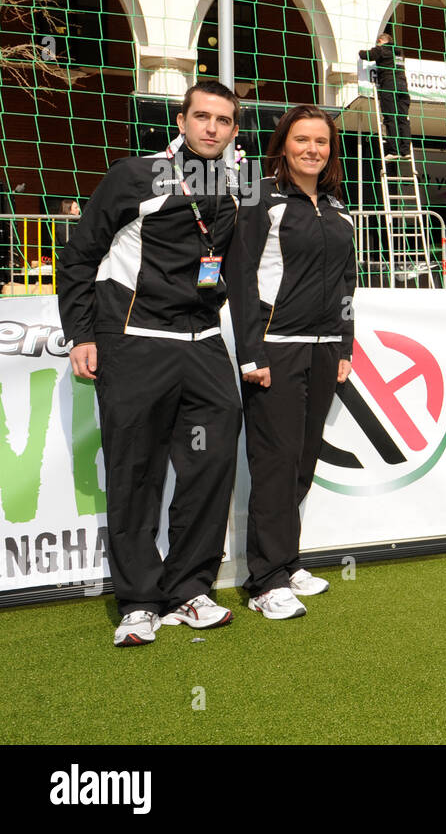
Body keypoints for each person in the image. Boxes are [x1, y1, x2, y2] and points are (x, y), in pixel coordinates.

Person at [57, 81, 244, 646]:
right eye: (202, 117)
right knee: (135, 472)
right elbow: (80, 255)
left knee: (210, 463)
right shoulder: (133, 175)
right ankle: (138, 601)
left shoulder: (240, 183)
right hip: (134, 340)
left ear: (235, 130)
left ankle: (190, 589)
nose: (212, 128)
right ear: (182, 121)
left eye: (224, 120)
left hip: (205, 340)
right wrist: (81, 335)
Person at [227, 104, 356, 620]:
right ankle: (264, 581)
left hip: (325, 348)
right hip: (275, 347)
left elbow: (347, 283)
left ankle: (287, 561)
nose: (312, 150)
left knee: (302, 458)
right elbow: (239, 278)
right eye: (302, 140)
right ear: (283, 145)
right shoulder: (262, 196)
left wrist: (345, 344)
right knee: (275, 462)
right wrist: (252, 350)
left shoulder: (338, 205)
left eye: (321, 142)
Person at [358, 33, 412, 159]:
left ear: (381, 40)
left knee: (390, 118)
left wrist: (359, 51)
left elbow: (365, 55)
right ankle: (406, 151)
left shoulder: (382, 49)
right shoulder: (399, 52)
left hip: (389, 85)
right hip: (403, 87)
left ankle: (394, 151)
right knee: (403, 119)